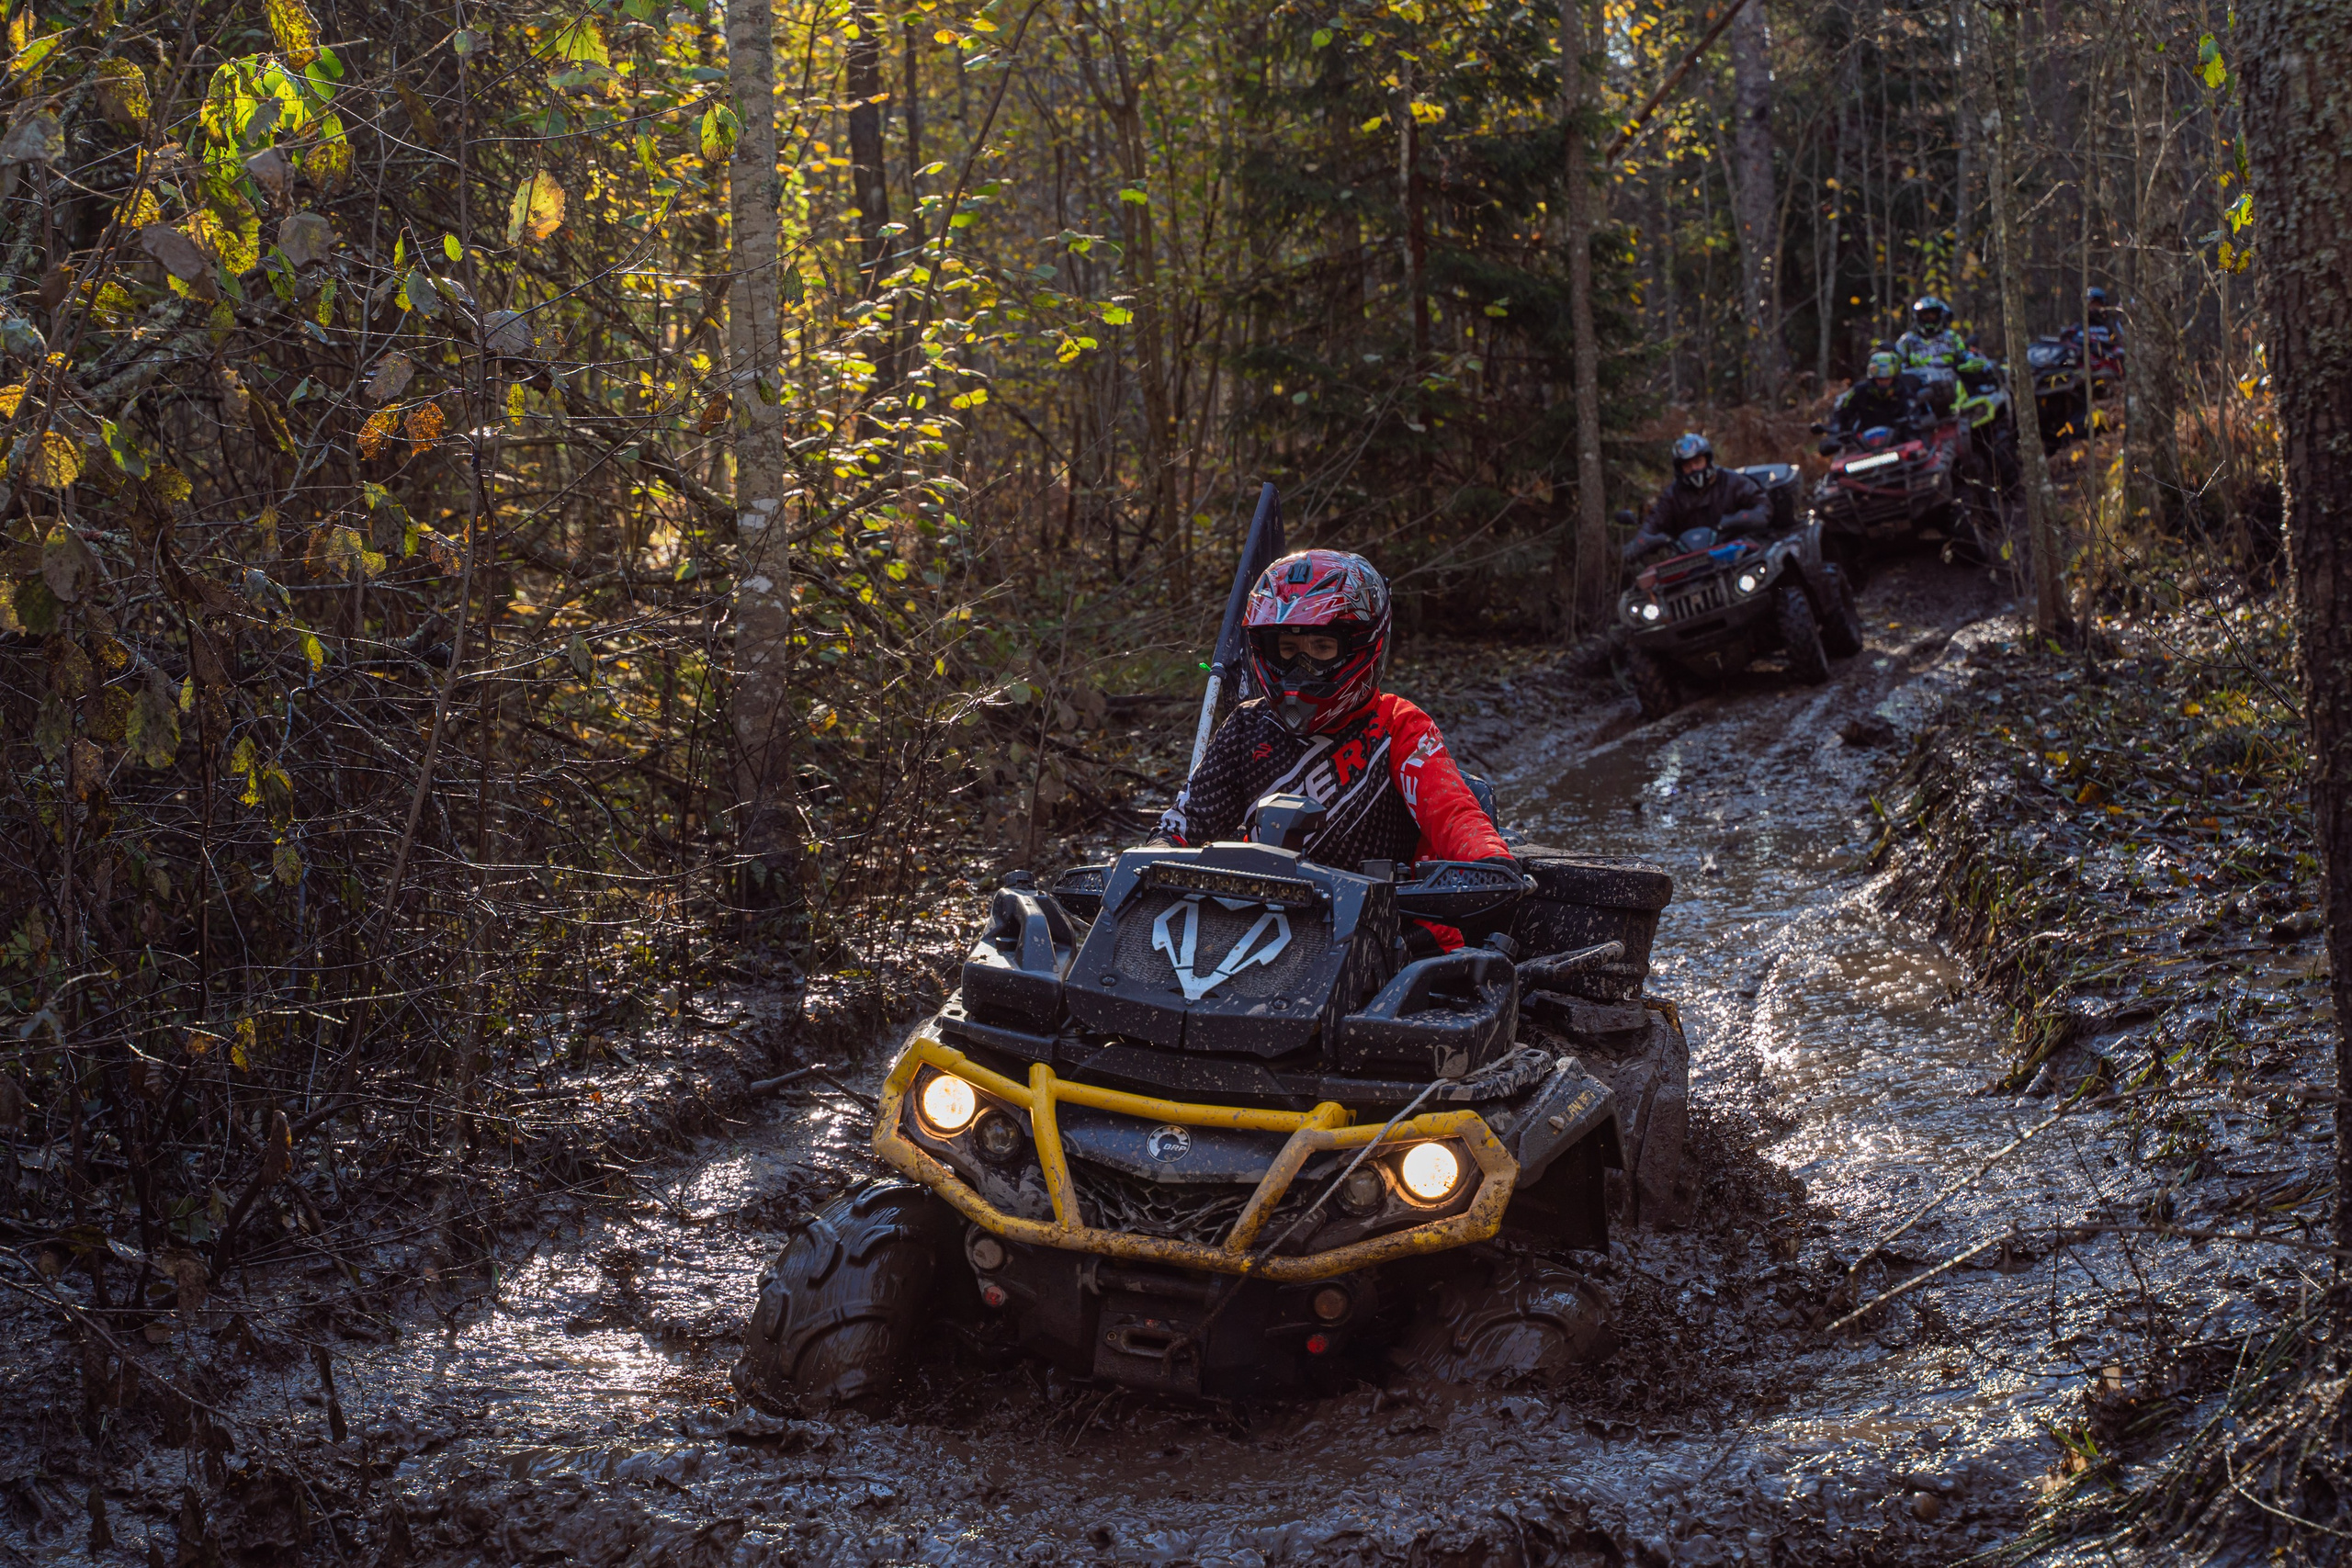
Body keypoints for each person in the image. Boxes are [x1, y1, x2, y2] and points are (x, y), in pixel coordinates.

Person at [1151, 548, 1511, 953]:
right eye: (1288, 649)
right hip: (1265, 932)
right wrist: (1147, 862)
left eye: (1321, 648)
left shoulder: (1398, 724)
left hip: (1391, 935)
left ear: (1361, 645)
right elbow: (1185, 825)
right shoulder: (1247, 725)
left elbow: (1451, 810)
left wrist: (1487, 862)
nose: (1301, 668)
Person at [1620, 432, 1770, 563]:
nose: (1694, 469)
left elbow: (1763, 506)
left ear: (1707, 460)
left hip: (1735, 552)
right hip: (1690, 561)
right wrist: (1639, 543)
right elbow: (1653, 524)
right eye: (1687, 465)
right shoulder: (1673, 495)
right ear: (1680, 469)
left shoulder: (1731, 481)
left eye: (1698, 462)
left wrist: (1737, 520)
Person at [1828, 351, 1933, 438]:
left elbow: (1915, 412)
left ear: (1895, 375)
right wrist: (1835, 429)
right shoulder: (1859, 391)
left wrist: (1916, 422)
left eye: (1887, 378)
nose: (1883, 382)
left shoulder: (1904, 391)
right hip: (1864, 444)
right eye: (1879, 378)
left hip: (1899, 441)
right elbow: (1841, 412)